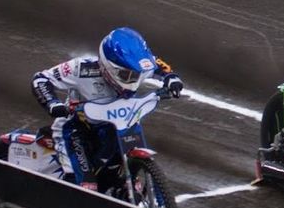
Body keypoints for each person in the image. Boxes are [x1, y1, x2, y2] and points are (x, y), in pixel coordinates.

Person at [30, 27, 184, 191]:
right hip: (76, 129)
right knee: (86, 184)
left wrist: (170, 77)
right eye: (127, 75)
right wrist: (53, 103)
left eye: (137, 75)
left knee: (121, 178)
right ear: (108, 67)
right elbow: (41, 79)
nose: (133, 80)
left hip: (117, 124)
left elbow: (156, 63)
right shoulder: (81, 68)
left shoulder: (135, 66)